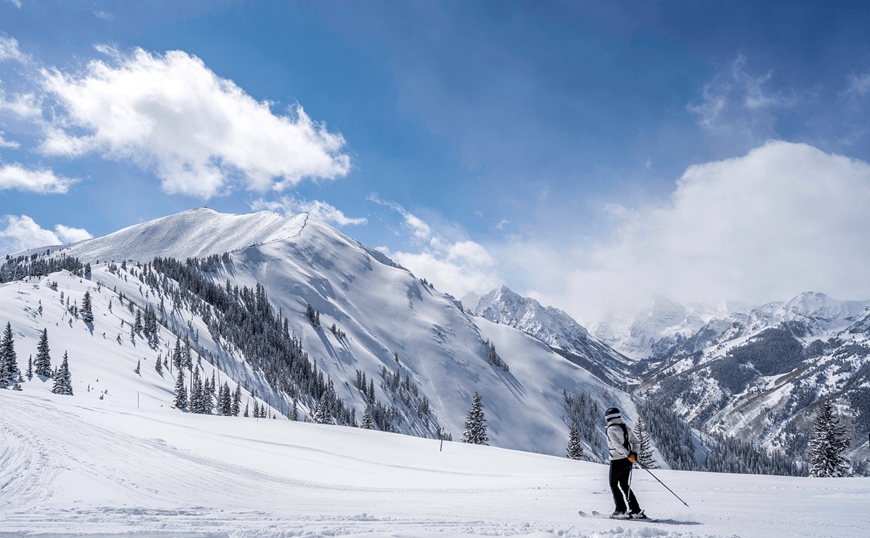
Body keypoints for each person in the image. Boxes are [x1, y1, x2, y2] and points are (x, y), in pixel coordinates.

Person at [604, 407, 647, 519]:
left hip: (617, 460)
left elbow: (616, 445)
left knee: (613, 484)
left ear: (608, 418)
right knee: (624, 484)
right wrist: (633, 454)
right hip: (628, 461)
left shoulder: (611, 429)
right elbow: (636, 443)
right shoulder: (625, 428)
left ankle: (620, 510)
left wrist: (628, 455)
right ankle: (635, 510)